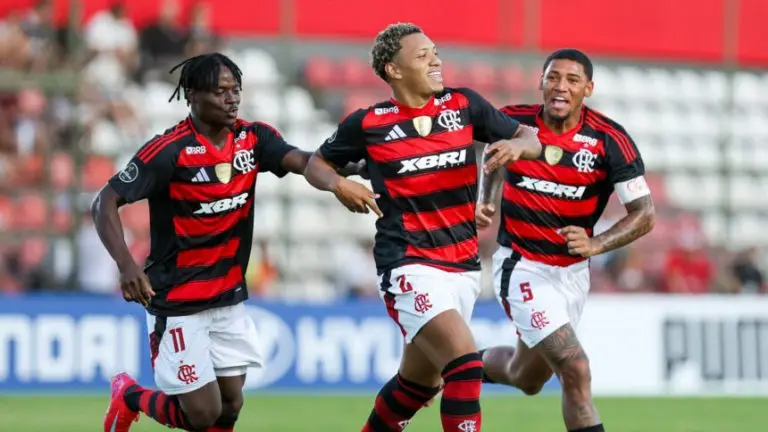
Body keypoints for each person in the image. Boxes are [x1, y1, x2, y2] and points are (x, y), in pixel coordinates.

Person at [94, 53, 359, 432]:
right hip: (179, 300)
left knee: (230, 405)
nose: (232, 99)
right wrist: (127, 265)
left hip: (228, 297)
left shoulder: (253, 139)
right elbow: (104, 201)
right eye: (220, 92)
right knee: (202, 413)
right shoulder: (169, 151)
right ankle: (130, 395)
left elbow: (301, 160)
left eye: (236, 90)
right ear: (192, 95)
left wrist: (345, 170)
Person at [303, 23, 541, 432]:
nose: (436, 60)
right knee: (465, 366)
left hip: (462, 266)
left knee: (416, 386)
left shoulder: (465, 105)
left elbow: (529, 136)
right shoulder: (370, 124)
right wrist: (340, 184)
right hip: (408, 263)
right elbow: (315, 164)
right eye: (423, 55)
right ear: (394, 70)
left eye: (435, 52)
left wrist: (518, 146)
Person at [476, 49, 656, 432]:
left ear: (588, 88)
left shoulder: (610, 140)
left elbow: (645, 213)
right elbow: (491, 153)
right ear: (541, 82)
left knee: (526, 377)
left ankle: (454, 366)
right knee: (576, 370)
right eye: (553, 77)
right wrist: (486, 199)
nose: (561, 86)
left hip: (573, 273)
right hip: (521, 267)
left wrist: (596, 244)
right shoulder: (513, 121)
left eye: (572, 80)